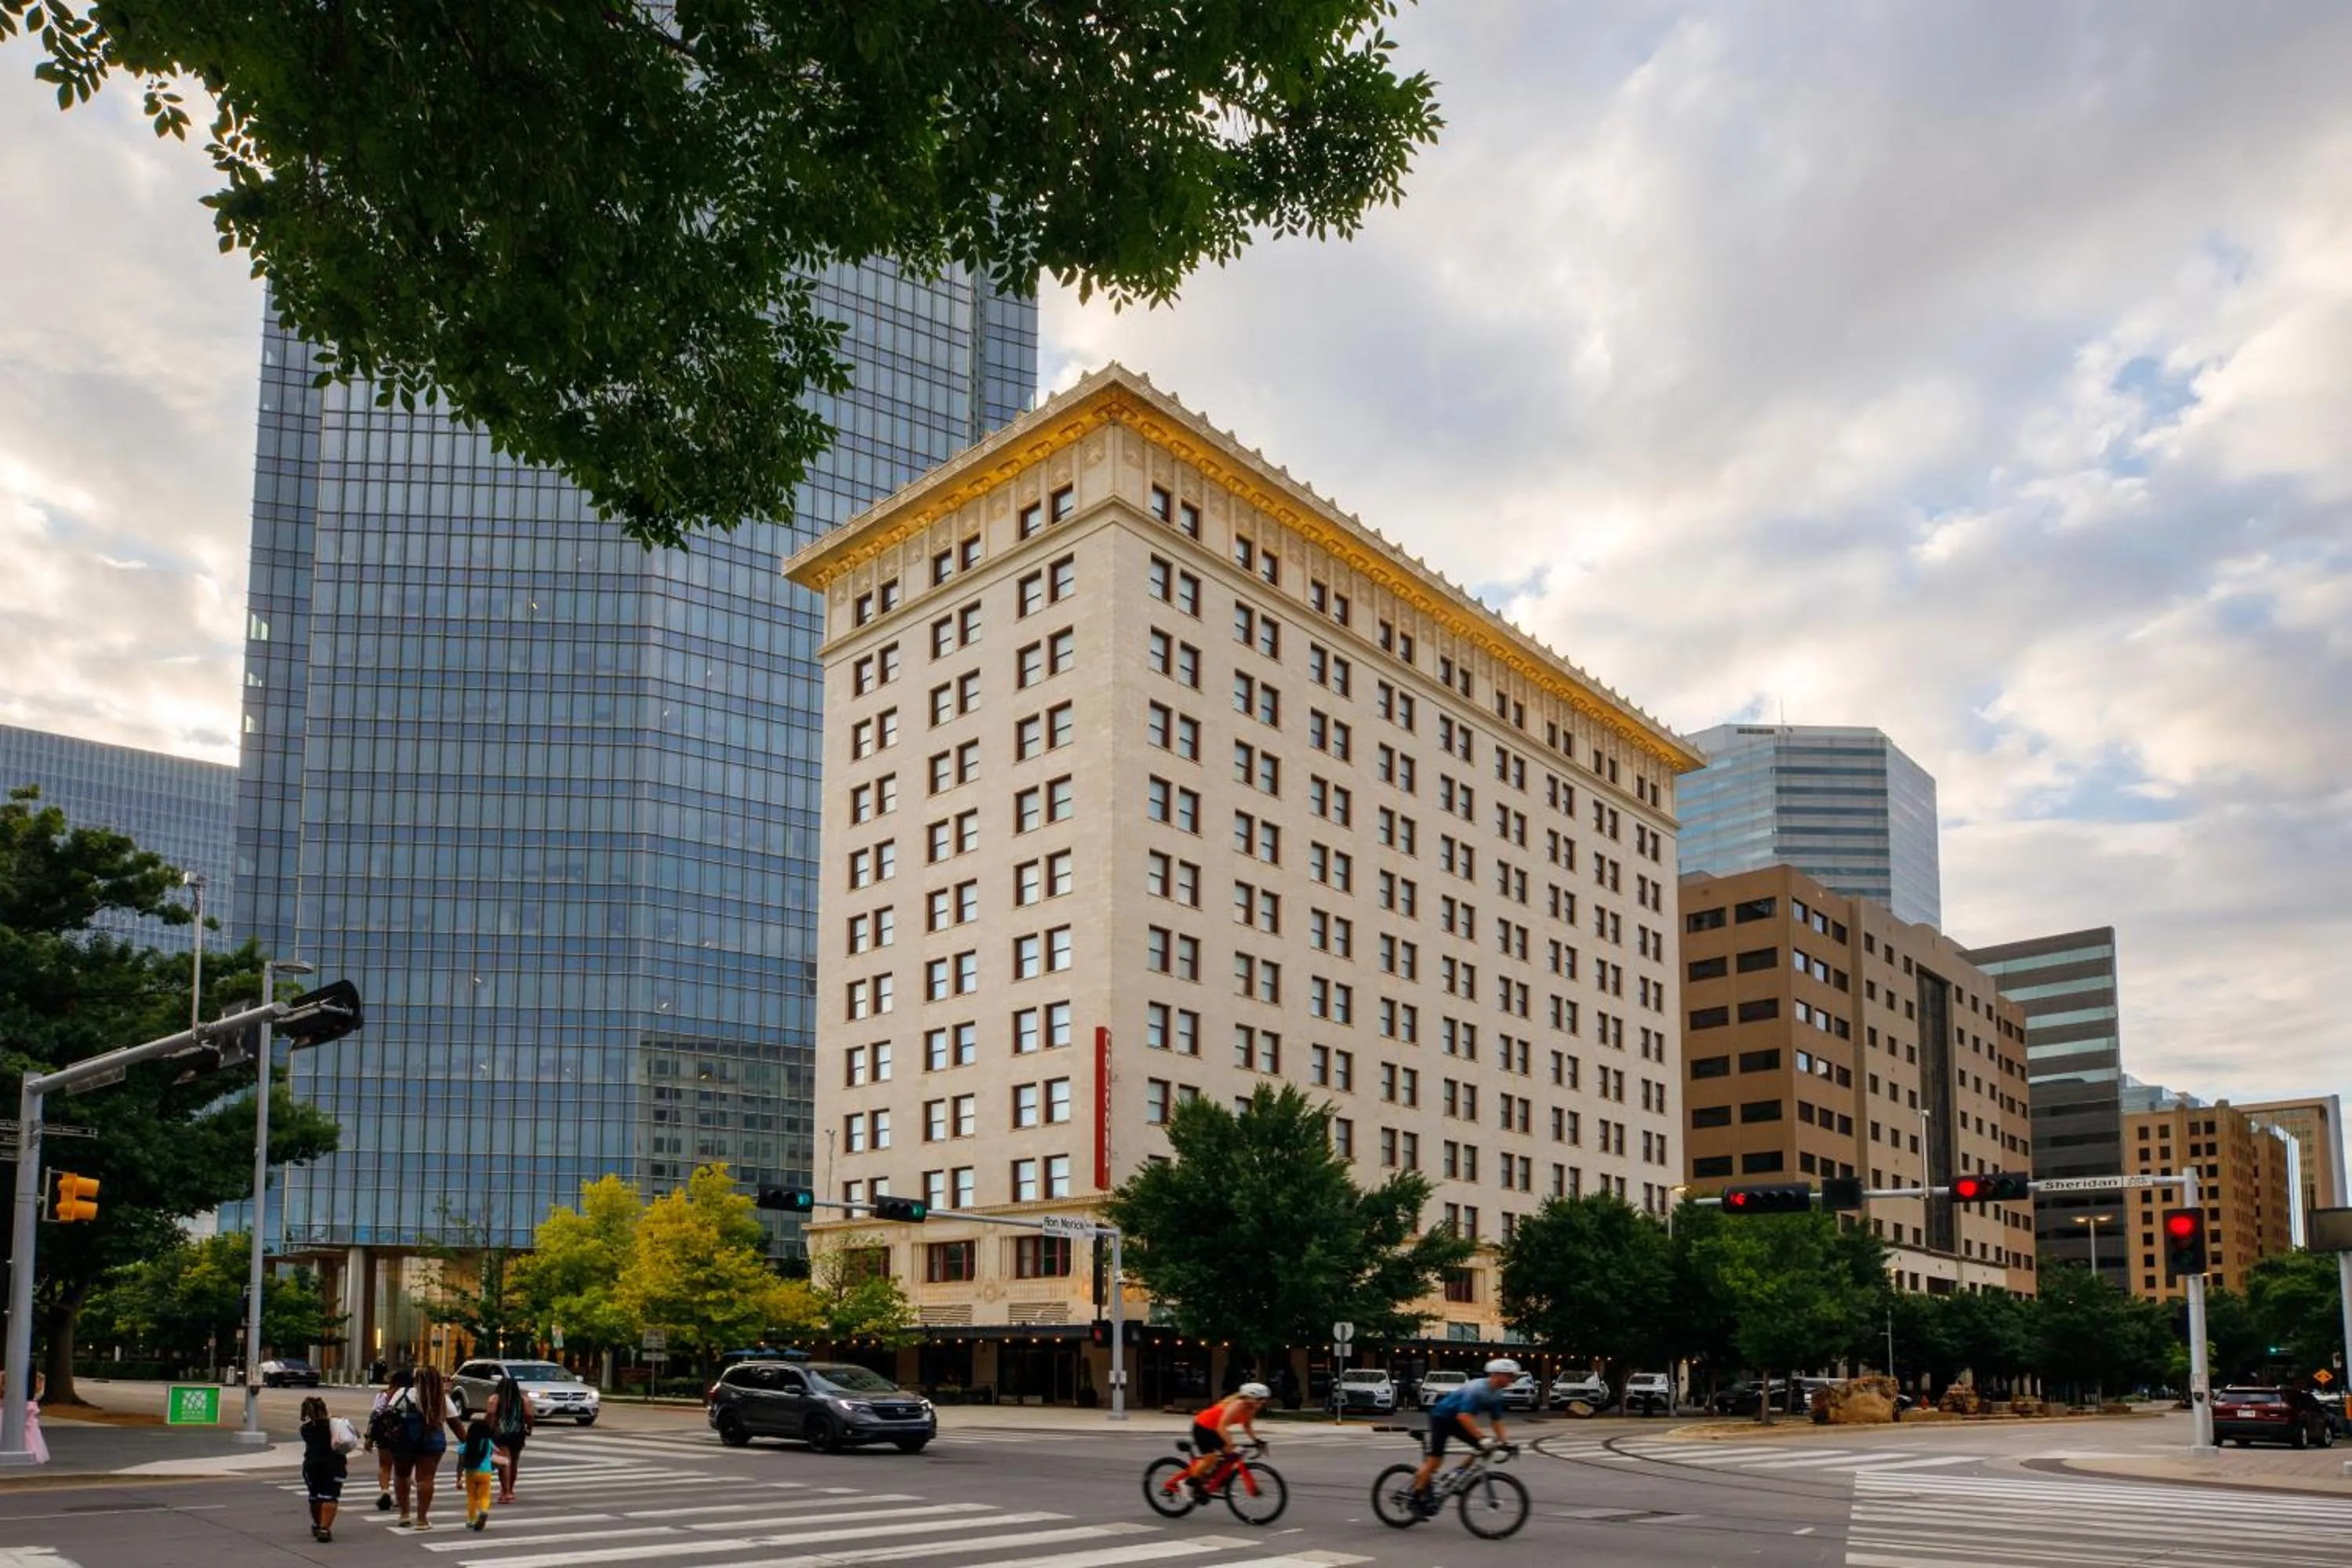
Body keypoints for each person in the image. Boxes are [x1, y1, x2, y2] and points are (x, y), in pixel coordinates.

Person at [1411, 1358, 1516, 1515]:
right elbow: (1463, 1416)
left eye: (1513, 1376)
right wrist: (1482, 1438)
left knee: (1483, 1449)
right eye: (1509, 1376)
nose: (1511, 1379)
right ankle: (1415, 1498)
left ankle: (1457, 1476)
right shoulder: (1477, 1388)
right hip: (1442, 1418)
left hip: (1458, 1420)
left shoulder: (1497, 1393)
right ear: (1496, 1374)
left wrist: (1505, 1443)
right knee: (1435, 1462)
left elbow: (1497, 1421)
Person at [386, 1364, 461, 1530]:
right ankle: (422, 1519)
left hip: (404, 1441)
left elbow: (388, 1414)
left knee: (402, 1474)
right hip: (431, 1441)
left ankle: (404, 1514)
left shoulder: (403, 1393)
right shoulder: (440, 1398)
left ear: (416, 1380)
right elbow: (456, 1426)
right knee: (426, 1479)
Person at [1180, 1381, 1269, 1501]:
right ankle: (1187, 1483)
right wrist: (1230, 1443)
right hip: (1203, 1427)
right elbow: (1221, 1427)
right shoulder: (1237, 1405)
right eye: (1259, 1399)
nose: (1262, 1402)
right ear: (1248, 1397)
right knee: (1210, 1459)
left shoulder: (1251, 1408)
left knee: (1230, 1459)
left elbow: (1247, 1425)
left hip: (1215, 1429)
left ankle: (1217, 1485)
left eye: (1264, 1399)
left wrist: (1257, 1440)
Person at [298, 1395, 347, 1542]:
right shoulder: (334, 1425)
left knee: (315, 1497)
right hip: (334, 1464)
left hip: (312, 1465)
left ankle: (317, 1523)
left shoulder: (305, 1429)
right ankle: (325, 1529)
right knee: (330, 1496)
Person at [363, 1368, 411, 1511]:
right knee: (402, 1469)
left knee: (385, 1465)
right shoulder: (410, 1395)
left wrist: (370, 1438)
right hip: (404, 1435)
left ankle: (385, 1491)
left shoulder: (383, 1396)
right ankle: (400, 1497)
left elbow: (375, 1416)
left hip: (384, 1434)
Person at [486, 1368, 534, 1503]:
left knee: (505, 1462)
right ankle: (510, 1490)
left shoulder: (494, 1398)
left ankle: (505, 1491)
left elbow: (490, 1414)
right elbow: (529, 1415)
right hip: (518, 1433)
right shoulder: (523, 1399)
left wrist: (488, 1427)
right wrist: (529, 1428)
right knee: (514, 1462)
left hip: (500, 1433)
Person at [456, 1417, 498, 1533]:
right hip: (485, 1472)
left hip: (470, 1473)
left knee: (472, 1497)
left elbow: (460, 1463)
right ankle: (484, 1511)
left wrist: (459, 1479)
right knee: (484, 1496)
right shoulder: (488, 1442)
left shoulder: (466, 1443)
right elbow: (492, 1455)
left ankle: (471, 1520)